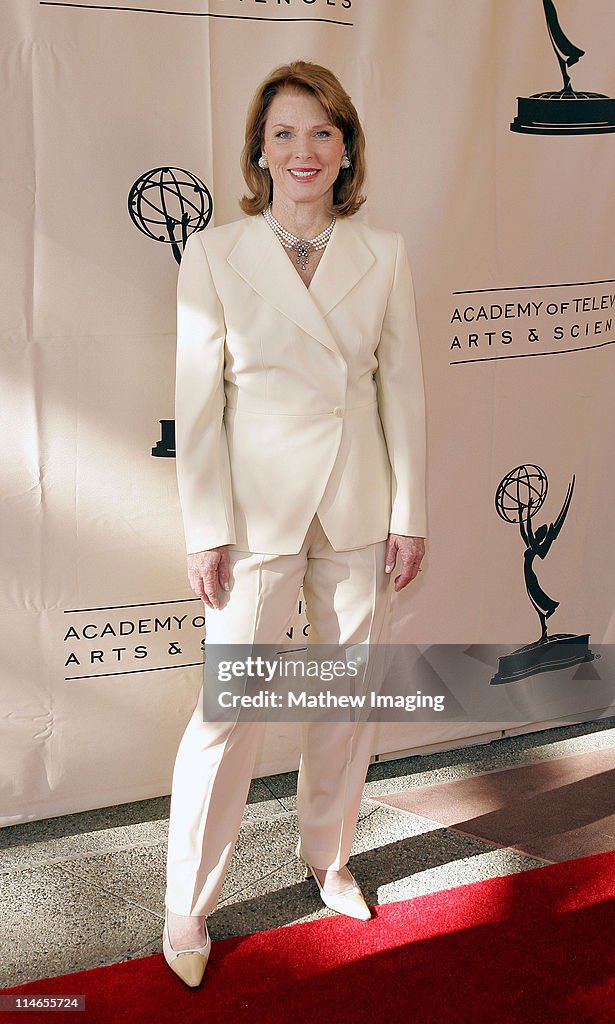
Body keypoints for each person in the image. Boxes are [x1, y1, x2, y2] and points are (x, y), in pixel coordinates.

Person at [163, 60, 427, 988]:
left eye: (321, 132)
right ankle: (186, 903)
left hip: (359, 505)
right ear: (258, 150)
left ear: (345, 147)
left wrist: (410, 511)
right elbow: (197, 408)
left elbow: (403, 392)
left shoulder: (382, 252)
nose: (302, 150)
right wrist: (207, 529)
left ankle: (330, 858)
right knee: (227, 713)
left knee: (346, 701)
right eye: (284, 133)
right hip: (255, 516)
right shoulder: (215, 254)